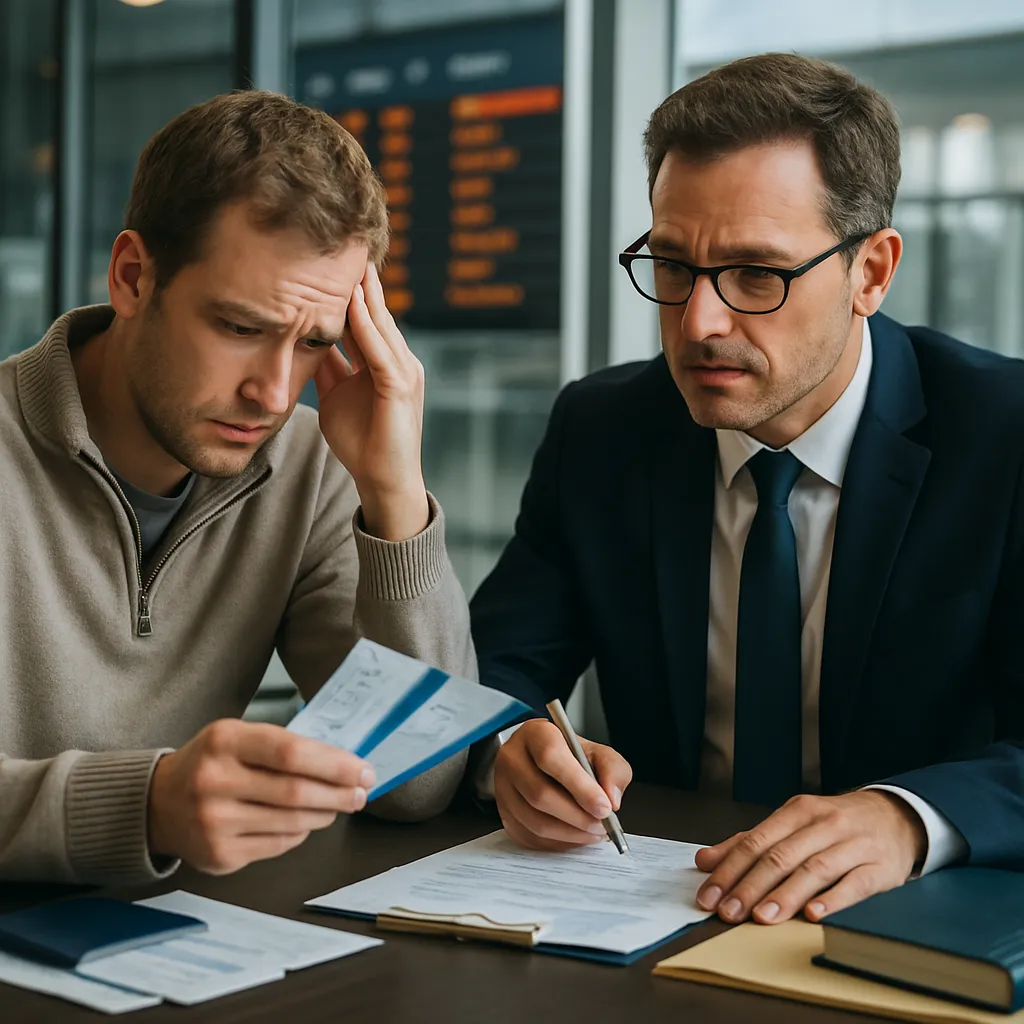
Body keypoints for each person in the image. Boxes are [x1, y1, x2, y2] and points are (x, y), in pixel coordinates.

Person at [471, 52, 1024, 927]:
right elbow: (498, 667)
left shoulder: (1004, 434)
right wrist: (512, 748)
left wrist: (908, 818)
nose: (699, 322)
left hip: (911, 923)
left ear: (871, 273)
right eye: (673, 265)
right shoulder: (604, 429)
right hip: (659, 907)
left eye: (757, 274)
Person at [0, 91, 475, 886]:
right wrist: (144, 806)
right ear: (132, 277)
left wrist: (393, 491)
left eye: (315, 342)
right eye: (241, 328)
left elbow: (415, 781)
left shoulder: (310, 469)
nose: (274, 392)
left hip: (181, 940)